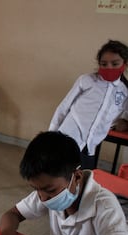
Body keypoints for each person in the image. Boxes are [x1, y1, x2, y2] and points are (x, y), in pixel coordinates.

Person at [0, 131, 128, 235]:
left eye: (50, 191)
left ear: (76, 177)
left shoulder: (103, 204)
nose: (43, 198)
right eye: (36, 189)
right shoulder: (47, 191)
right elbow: (11, 215)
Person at [49, 40, 128, 169]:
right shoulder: (86, 80)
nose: (109, 67)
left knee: (82, 180)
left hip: (90, 147)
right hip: (68, 137)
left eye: (115, 64)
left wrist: (123, 121)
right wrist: (51, 134)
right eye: (104, 64)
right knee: (57, 175)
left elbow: (119, 114)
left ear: (124, 64)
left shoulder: (124, 91)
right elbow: (63, 107)